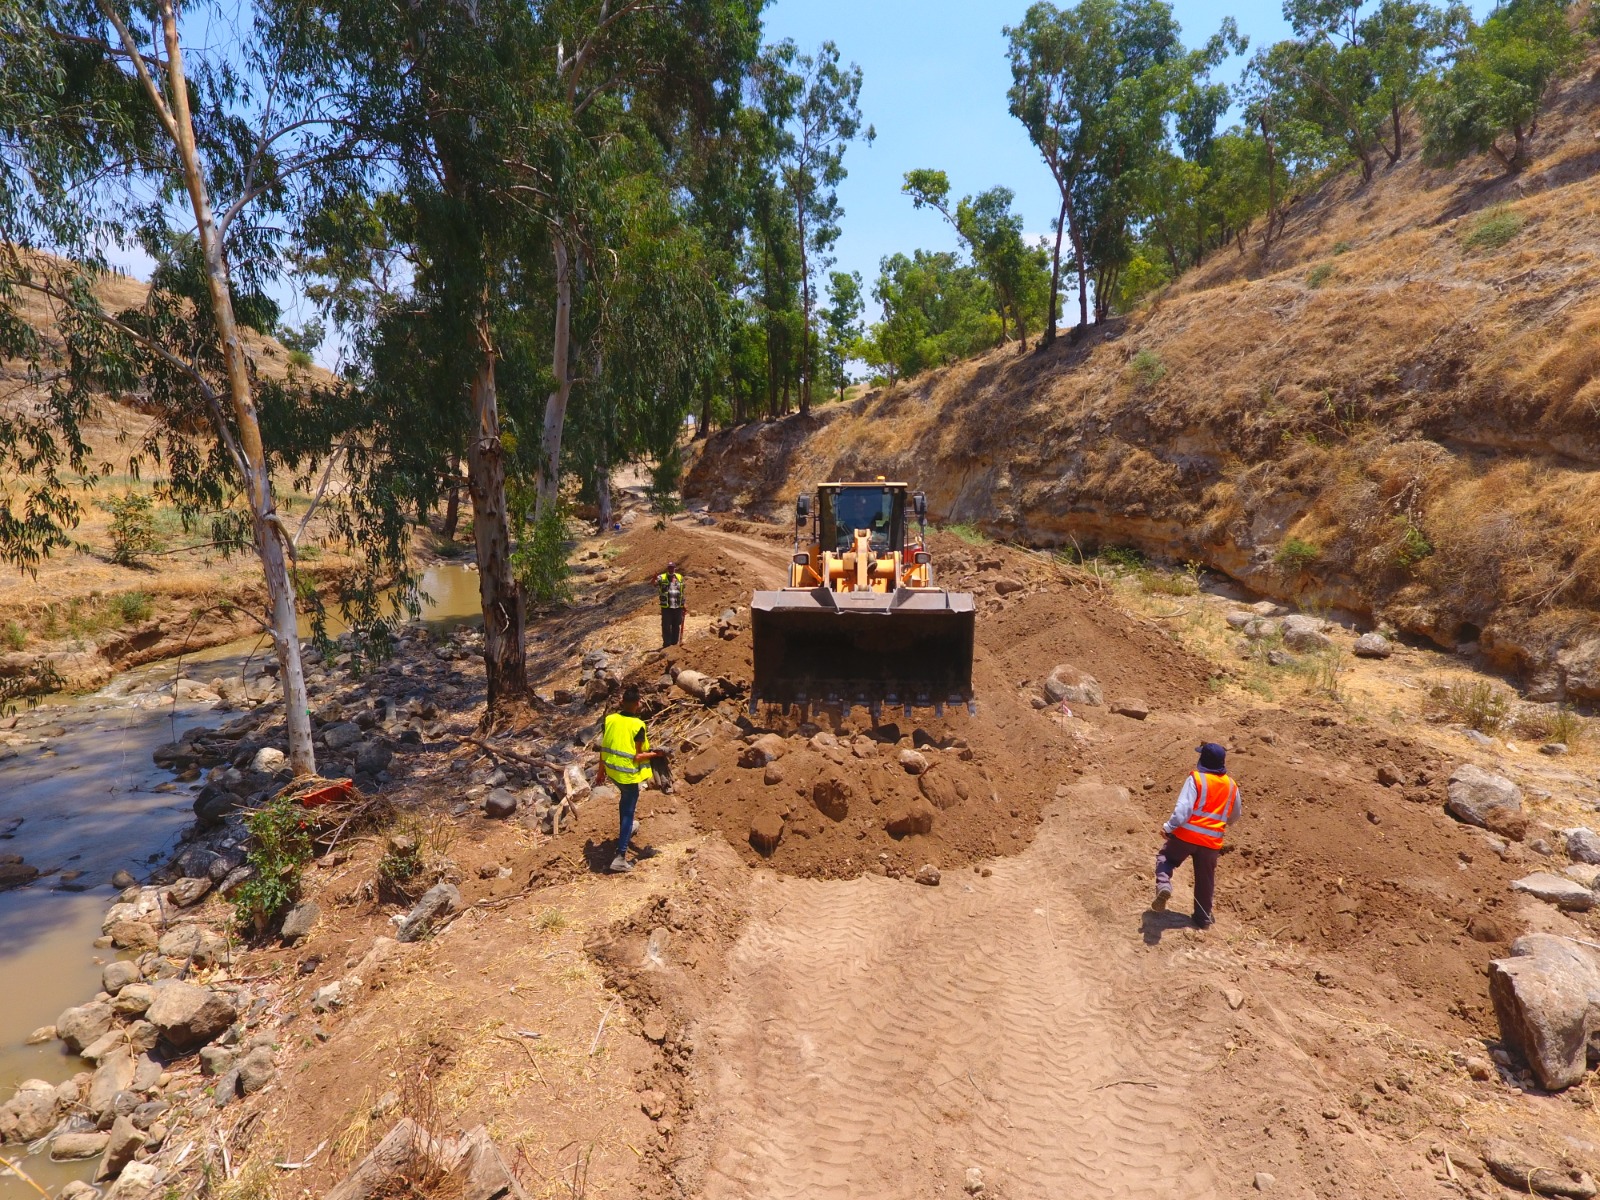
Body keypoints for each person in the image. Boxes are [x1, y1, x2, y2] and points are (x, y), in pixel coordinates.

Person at [1153, 742, 1241, 929]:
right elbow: (1235, 814)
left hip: (1186, 836)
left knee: (1165, 858)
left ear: (1203, 759)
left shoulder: (1196, 779)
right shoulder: (1232, 785)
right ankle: (1202, 919)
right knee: (1205, 879)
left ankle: (1164, 886)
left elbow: (1183, 810)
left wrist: (1169, 828)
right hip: (1212, 842)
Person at [596, 685, 666, 873]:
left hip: (612, 771)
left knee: (624, 804)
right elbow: (636, 756)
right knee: (628, 810)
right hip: (627, 776)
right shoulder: (638, 726)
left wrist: (600, 771)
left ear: (621, 702)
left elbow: (605, 747)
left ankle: (625, 831)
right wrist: (655, 754)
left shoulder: (610, 719)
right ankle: (620, 856)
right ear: (637, 704)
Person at [657, 561, 685, 647]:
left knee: (676, 625)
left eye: (672, 567)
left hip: (677, 606)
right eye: (669, 567)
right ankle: (667, 644)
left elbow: (682, 591)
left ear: (675, 568)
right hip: (667, 607)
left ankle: (674, 643)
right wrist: (653, 579)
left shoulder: (680, 577)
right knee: (666, 625)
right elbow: (654, 583)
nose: (671, 569)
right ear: (667, 568)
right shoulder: (662, 577)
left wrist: (683, 604)